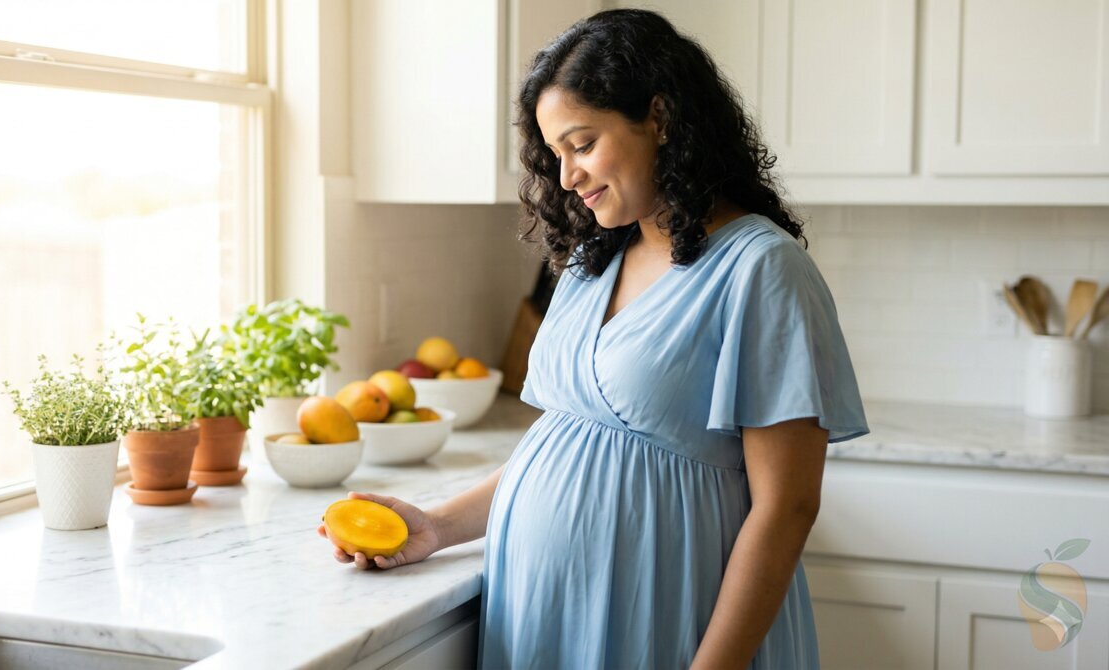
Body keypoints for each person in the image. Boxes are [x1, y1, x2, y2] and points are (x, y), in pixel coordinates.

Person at [318, 9, 869, 669]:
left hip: (669, 621)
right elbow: (571, 444)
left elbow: (787, 507)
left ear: (660, 119)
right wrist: (437, 525)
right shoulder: (594, 258)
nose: (568, 177)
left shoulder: (762, 270)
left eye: (581, 144)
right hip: (542, 621)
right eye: (555, 155)